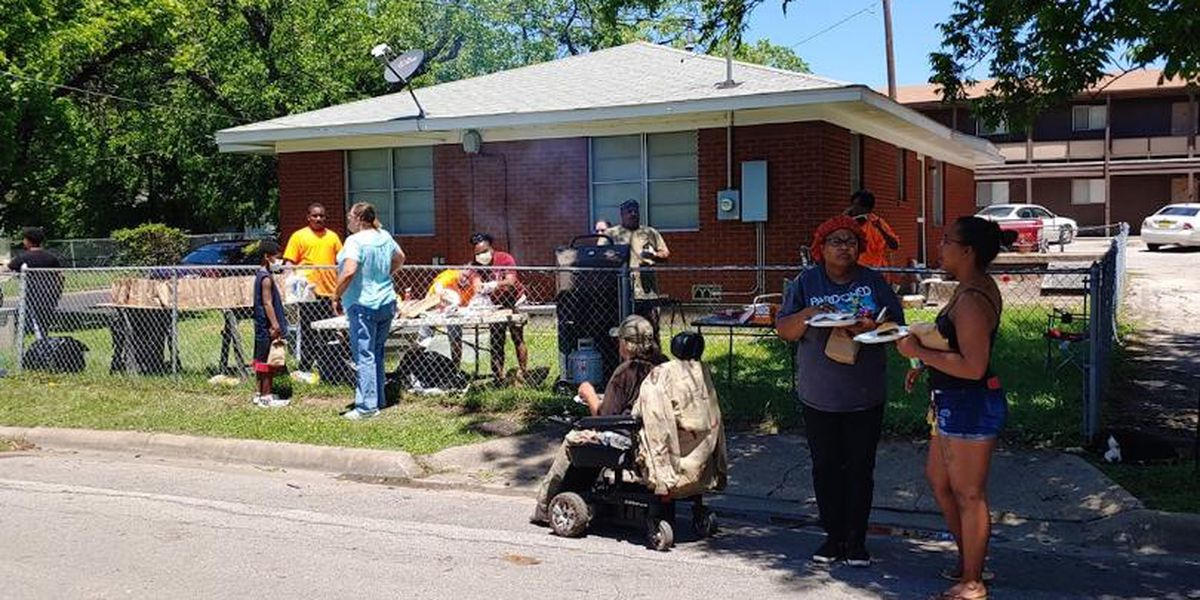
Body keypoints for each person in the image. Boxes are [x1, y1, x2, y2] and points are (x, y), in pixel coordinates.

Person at [775, 215, 905, 567]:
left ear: (859, 247)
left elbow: (897, 327)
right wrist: (809, 313)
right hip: (819, 394)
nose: (844, 247)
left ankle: (857, 540)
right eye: (836, 241)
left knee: (860, 468)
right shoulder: (806, 281)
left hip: (864, 393)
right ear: (821, 248)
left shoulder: (873, 281)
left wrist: (874, 324)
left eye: (850, 241)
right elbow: (784, 329)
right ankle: (833, 537)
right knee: (826, 467)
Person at [896, 217, 1013, 600]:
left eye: (947, 241)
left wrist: (919, 352)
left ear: (967, 251)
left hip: (970, 403)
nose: (940, 246)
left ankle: (974, 582)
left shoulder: (973, 299)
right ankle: (969, 564)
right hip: (950, 401)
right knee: (940, 481)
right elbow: (956, 350)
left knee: (968, 493)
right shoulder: (967, 289)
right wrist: (923, 362)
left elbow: (973, 366)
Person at [531, 314, 667, 524]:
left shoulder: (625, 371)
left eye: (619, 340)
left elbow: (604, 417)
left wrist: (589, 394)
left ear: (625, 343)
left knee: (574, 438)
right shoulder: (663, 366)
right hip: (656, 433)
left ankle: (544, 507)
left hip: (628, 436)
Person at [333, 202, 405, 420]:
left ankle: (366, 407)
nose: (348, 223)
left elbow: (349, 271)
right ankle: (379, 399)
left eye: (349, 219)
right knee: (378, 352)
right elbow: (400, 258)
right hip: (386, 302)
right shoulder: (384, 236)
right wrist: (385, 275)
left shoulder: (355, 241)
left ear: (359, 219)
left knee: (364, 355)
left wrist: (336, 294)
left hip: (362, 304)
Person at [283, 202, 343, 376]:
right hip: (308, 293)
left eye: (322, 216)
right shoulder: (299, 236)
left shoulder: (332, 237)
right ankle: (307, 366)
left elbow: (342, 261)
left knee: (328, 330)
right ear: (308, 217)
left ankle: (329, 366)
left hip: (329, 292)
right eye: (315, 216)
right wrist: (290, 284)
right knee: (308, 330)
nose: (318, 219)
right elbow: (289, 262)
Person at [467, 233, 528, 386]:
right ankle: (498, 377)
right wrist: (481, 288)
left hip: (514, 301)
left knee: (517, 337)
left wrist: (494, 284)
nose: (482, 255)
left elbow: (510, 281)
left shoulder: (505, 258)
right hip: (495, 306)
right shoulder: (475, 266)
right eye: (478, 253)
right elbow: (476, 284)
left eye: (484, 251)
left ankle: (523, 372)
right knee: (496, 340)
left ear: (491, 248)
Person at [604, 200, 669, 336]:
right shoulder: (610, 234)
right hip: (619, 293)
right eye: (629, 211)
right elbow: (599, 257)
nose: (633, 214)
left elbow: (666, 254)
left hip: (647, 293)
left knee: (650, 330)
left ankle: (652, 356)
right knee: (622, 331)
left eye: (636, 211)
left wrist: (654, 255)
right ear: (622, 214)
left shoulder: (650, 232)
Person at [4, 227, 63, 337]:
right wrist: (58, 291)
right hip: (50, 294)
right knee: (43, 324)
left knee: (34, 323)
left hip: (32, 295)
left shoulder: (23, 257)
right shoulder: (51, 257)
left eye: (24, 239)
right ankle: (42, 340)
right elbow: (60, 276)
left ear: (28, 241)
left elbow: (7, 269)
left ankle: (41, 346)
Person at [251, 240, 289, 408]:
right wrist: (275, 325)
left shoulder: (260, 275)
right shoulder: (266, 278)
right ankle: (266, 397)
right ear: (267, 257)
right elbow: (268, 303)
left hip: (260, 325)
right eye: (276, 257)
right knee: (268, 361)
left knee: (260, 359)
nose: (278, 261)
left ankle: (259, 393)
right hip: (267, 326)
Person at [426, 268, 475, 366]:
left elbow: (465, 304)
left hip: (452, 312)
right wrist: (444, 296)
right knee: (425, 336)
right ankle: (415, 361)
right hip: (434, 306)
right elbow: (438, 286)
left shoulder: (470, 287)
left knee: (456, 339)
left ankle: (455, 368)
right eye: (463, 275)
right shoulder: (450, 276)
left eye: (468, 278)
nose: (465, 279)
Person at [845, 190, 900, 269]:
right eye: (852, 205)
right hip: (853, 270)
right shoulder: (847, 222)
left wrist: (881, 229)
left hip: (874, 269)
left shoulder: (877, 223)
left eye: (856, 206)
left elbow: (894, 245)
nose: (853, 209)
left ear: (867, 209)